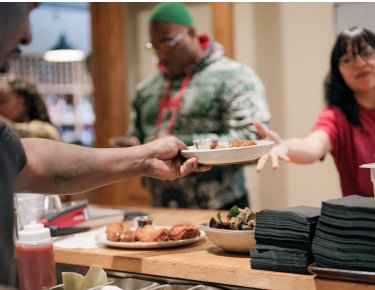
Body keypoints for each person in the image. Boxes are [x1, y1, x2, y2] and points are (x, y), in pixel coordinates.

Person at [0, 3, 210, 288]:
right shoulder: (146, 89)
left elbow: (32, 161)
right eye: (27, 10)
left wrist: (144, 159)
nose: (27, 35)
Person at [111, 3, 271, 209]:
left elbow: (252, 139)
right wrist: (134, 144)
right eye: (154, 46)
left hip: (221, 208)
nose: (161, 52)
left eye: (168, 42)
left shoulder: (235, 78)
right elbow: (138, 136)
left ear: (192, 33)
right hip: (161, 209)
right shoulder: (145, 90)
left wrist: (181, 145)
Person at [254, 26, 375, 198]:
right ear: (338, 72)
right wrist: (285, 146)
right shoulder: (337, 117)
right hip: (362, 221)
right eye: (347, 59)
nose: (360, 63)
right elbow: (312, 146)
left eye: (367, 53)